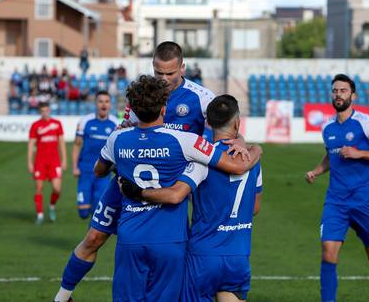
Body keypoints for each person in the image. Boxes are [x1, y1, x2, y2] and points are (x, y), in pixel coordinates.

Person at [53, 41, 249, 301]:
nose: (164, 79)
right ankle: (63, 296)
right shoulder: (143, 93)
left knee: (182, 245)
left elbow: (226, 128)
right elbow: (125, 127)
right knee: (93, 237)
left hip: (176, 179)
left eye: (170, 73)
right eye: (159, 73)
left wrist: (243, 141)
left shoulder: (202, 98)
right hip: (129, 176)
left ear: (182, 68)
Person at [101, 76, 261, 301]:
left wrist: (137, 191)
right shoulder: (249, 160)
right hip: (233, 252)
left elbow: (175, 194)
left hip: (194, 252)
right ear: (237, 123)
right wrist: (256, 148)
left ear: (208, 123)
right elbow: (253, 202)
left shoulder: (198, 161)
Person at [305, 74, 369, 302]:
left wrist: (360, 153)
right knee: (328, 253)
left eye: (343, 91)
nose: (338, 94)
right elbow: (332, 155)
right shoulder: (327, 128)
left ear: (353, 95)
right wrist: (317, 170)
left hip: (364, 201)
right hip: (336, 202)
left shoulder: (366, 123)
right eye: (335, 90)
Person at [72, 91, 119, 219]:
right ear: (96, 104)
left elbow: (118, 149)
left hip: (104, 171)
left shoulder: (116, 124)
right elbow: (77, 145)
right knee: (83, 212)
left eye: (107, 101)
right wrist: (74, 166)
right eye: (100, 101)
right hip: (85, 170)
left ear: (110, 104)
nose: (104, 104)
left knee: (97, 210)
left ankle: (90, 237)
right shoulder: (85, 121)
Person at [28, 102, 67, 224]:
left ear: (49, 110)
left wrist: (64, 159)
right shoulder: (35, 126)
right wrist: (30, 162)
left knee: (57, 189)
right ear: (40, 112)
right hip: (40, 161)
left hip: (54, 161)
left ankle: (51, 206)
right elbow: (31, 144)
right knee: (39, 188)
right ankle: (39, 215)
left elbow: (61, 142)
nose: (44, 113)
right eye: (42, 111)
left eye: (46, 110)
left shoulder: (57, 124)